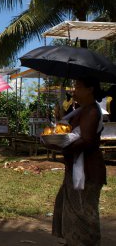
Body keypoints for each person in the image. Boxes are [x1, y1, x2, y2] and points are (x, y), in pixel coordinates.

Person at [52, 79, 107, 246]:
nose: (73, 91)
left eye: (77, 87)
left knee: (84, 215)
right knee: (73, 213)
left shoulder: (91, 111)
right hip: (76, 169)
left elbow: (86, 140)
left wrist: (60, 145)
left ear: (90, 89)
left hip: (87, 171)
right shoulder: (80, 111)